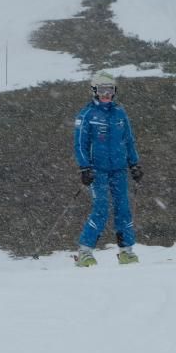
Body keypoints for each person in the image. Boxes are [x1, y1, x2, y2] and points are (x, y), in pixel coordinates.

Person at [74, 71, 143, 266]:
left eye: (110, 90)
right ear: (94, 91)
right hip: (98, 171)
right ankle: (85, 252)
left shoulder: (120, 113)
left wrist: (134, 164)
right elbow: (80, 144)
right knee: (101, 209)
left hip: (119, 170)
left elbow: (128, 140)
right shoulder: (87, 115)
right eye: (102, 90)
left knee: (123, 209)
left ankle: (126, 251)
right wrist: (84, 167)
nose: (107, 94)